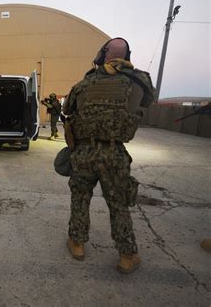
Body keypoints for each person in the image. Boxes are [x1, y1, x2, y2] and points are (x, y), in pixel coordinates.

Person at [62, 37, 155, 273]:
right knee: (118, 204)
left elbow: (67, 110)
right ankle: (126, 255)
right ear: (127, 56)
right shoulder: (138, 81)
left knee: (80, 198)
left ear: (102, 54)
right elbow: (148, 101)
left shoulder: (84, 84)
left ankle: (77, 243)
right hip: (113, 153)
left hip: (84, 152)